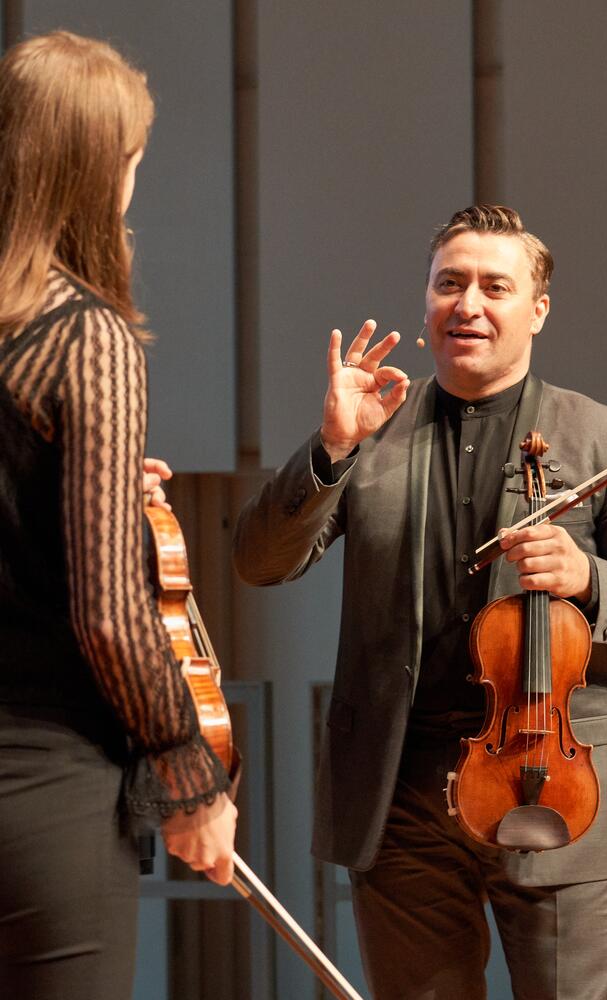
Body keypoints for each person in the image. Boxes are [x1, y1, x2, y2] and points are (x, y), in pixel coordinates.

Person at [233, 204, 607, 999]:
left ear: (537, 309)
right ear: (425, 303)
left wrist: (589, 580)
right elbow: (259, 561)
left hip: (551, 786)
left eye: (495, 285)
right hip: (398, 790)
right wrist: (333, 449)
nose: (469, 304)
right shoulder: (373, 430)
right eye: (449, 283)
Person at [0, 31, 237, 1000]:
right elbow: (107, 613)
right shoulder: (85, 333)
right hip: (44, 779)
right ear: (101, 167)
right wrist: (189, 773)